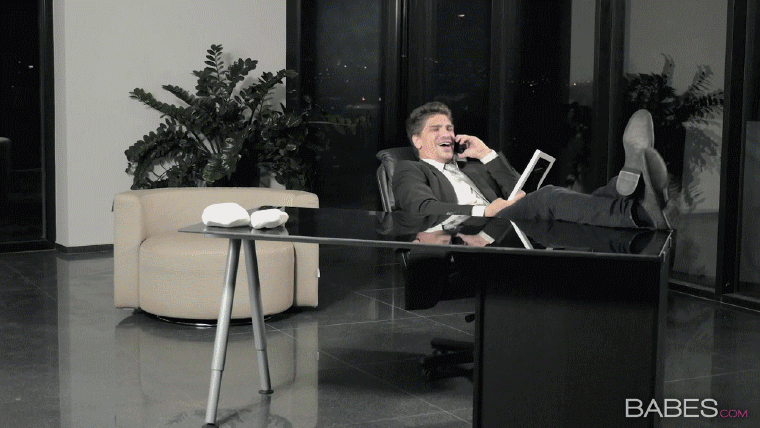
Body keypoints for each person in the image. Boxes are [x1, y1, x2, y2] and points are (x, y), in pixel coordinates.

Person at [392, 101, 674, 230]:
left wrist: (487, 154)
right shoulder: (409, 169)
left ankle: (631, 195)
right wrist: (484, 210)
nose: (447, 134)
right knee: (549, 196)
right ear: (417, 140)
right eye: (436, 129)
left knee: (577, 199)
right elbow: (421, 208)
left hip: (506, 225)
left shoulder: (472, 167)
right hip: (473, 231)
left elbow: (521, 191)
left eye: (449, 128)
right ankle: (636, 205)